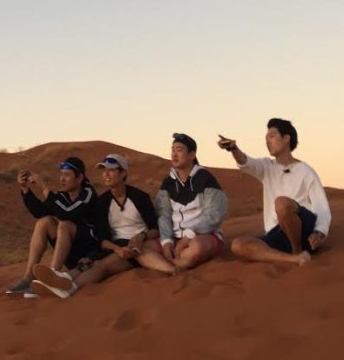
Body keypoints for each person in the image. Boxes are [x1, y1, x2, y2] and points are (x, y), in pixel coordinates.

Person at [30, 152, 175, 298]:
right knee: (87, 263)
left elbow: (155, 229)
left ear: (123, 173)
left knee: (100, 266)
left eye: (111, 170)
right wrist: (116, 249)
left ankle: (68, 290)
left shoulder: (139, 197)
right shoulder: (103, 202)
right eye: (104, 170)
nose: (106, 174)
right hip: (116, 247)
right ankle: (57, 282)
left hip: (137, 247)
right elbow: (103, 239)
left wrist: (141, 236)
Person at [218, 118, 331, 265]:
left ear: (286, 138)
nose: (267, 142)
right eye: (266, 139)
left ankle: (297, 250)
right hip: (278, 233)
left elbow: (321, 207)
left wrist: (319, 232)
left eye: (272, 136)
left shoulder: (306, 171)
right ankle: (295, 259)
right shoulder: (267, 167)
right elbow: (246, 162)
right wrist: (234, 149)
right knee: (238, 244)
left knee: (282, 203)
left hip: (304, 230)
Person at [6, 156, 98, 297]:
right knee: (44, 222)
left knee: (64, 225)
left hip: (89, 255)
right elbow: (40, 212)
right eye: (61, 174)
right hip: (72, 253)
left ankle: (51, 277)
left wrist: (44, 187)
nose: (62, 179)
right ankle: (29, 277)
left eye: (67, 175)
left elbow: (67, 212)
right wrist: (25, 189)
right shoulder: (63, 196)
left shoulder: (88, 193)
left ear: (79, 178)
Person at [155, 133, 228, 269]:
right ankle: (175, 265)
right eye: (172, 150)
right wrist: (166, 241)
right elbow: (163, 214)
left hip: (201, 235)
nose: (174, 154)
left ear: (192, 154)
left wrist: (189, 235)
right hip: (175, 237)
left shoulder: (205, 178)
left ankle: (170, 265)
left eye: (179, 150)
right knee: (144, 248)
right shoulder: (168, 183)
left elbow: (214, 215)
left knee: (197, 247)